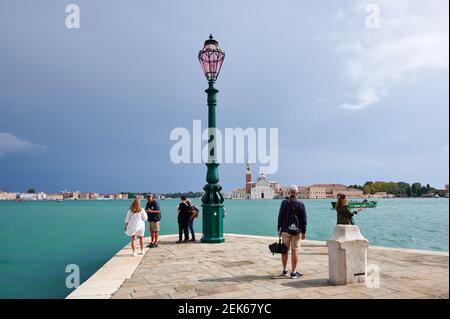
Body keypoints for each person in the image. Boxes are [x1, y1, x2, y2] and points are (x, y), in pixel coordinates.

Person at [277, 185, 307, 279]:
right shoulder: (301, 204)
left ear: (289, 193)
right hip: (297, 231)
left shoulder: (283, 203)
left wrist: (279, 228)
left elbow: (280, 216)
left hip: (285, 230)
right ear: (297, 193)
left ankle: (285, 270)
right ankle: (293, 273)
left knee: (284, 251)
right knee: (295, 251)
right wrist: (304, 232)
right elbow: (304, 220)